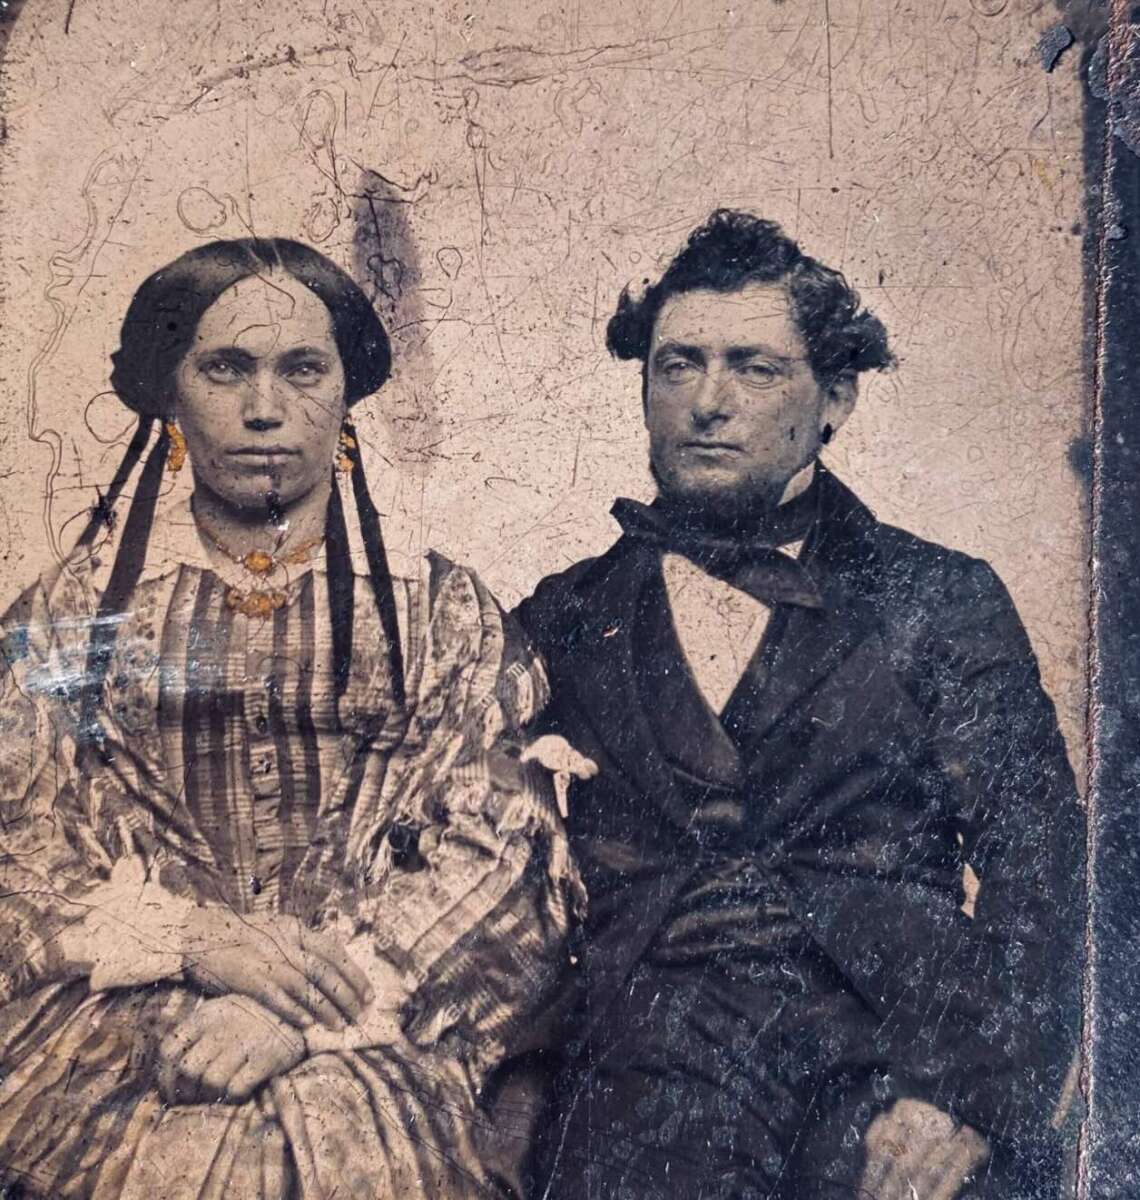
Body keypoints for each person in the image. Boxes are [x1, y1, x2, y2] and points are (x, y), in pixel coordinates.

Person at [514, 210, 1084, 1198]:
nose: (708, 402)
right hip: (640, 1087)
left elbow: (1044, 873)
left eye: (755, 368)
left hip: (882, 1083)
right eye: (677, 365)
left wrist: (967, 1097)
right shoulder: (563, 618)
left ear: (838, 398)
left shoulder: (940, 601)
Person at [0, 238, 585, 1199]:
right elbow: (16, 848)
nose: (265, 408)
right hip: (117, 1032)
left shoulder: (438, 614)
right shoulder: (71, 620)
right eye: (225, 368)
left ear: (346, 396)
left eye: (302, 369)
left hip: (375, 1022)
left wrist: (304, 1008)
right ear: (172, 394)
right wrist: (194, 942)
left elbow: (502, 851)